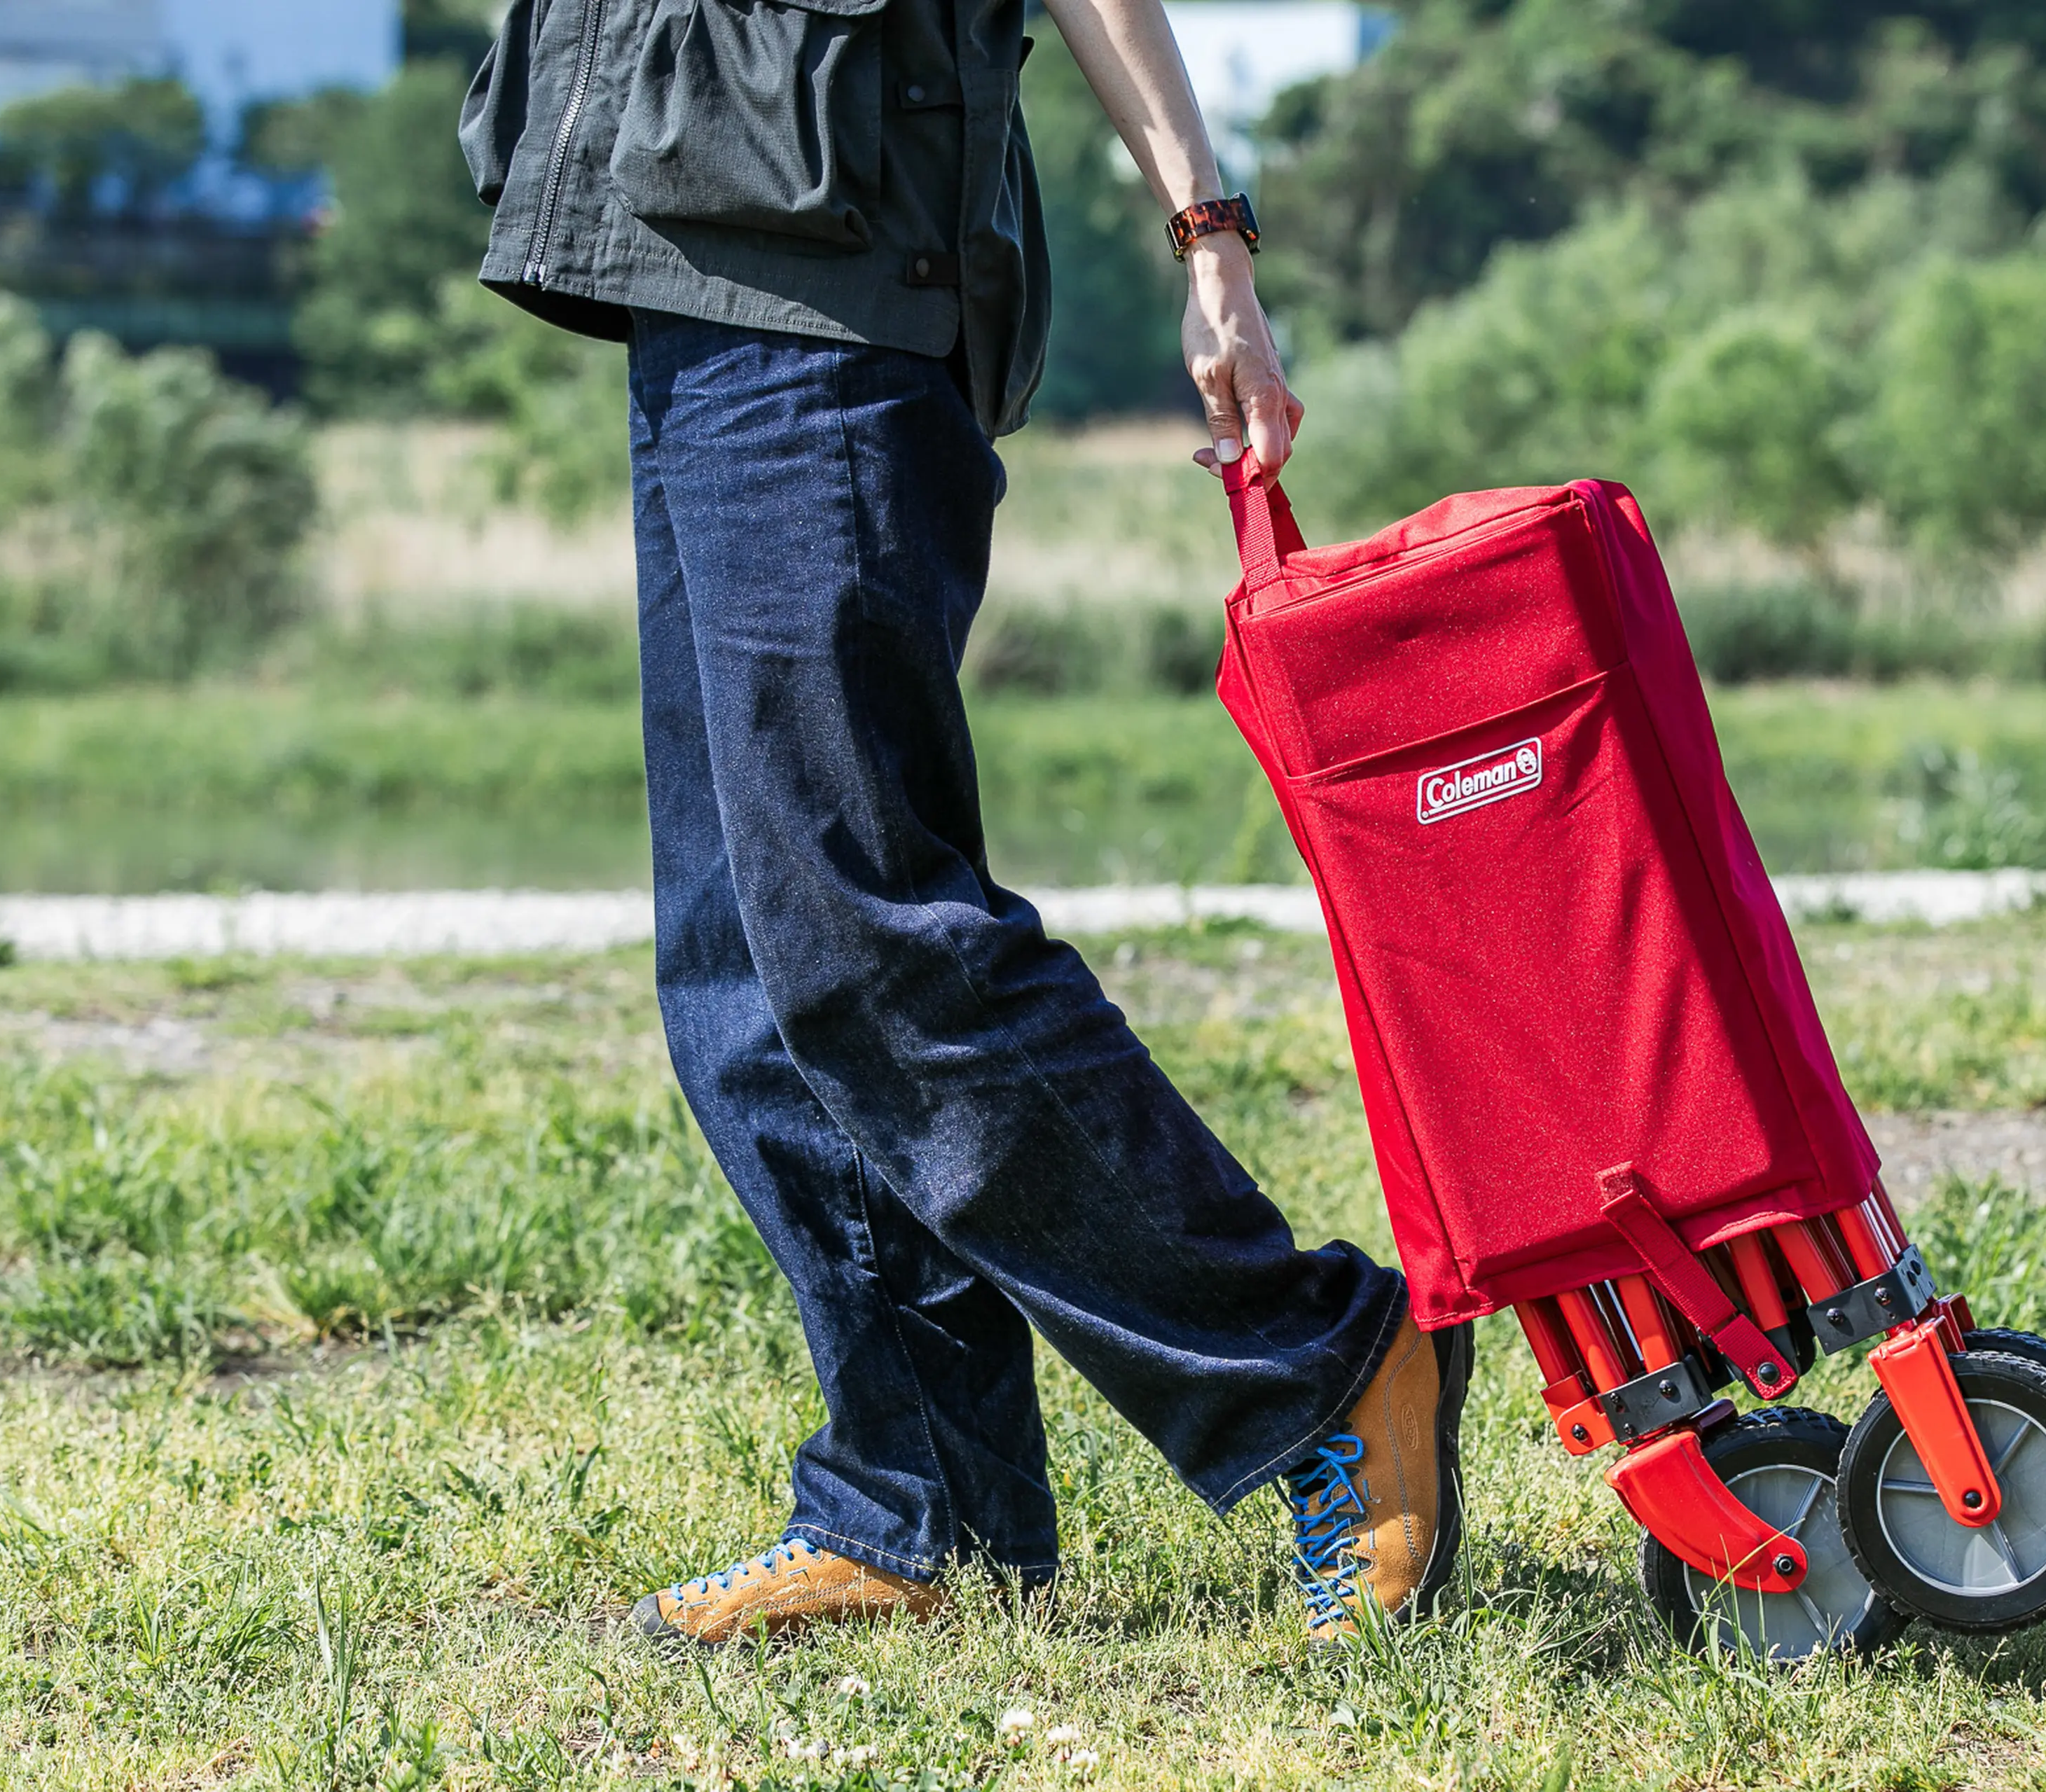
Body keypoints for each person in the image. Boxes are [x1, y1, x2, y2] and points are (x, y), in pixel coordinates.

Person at [456, 0, 1467, 1644]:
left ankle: (1321, 1364)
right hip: (684, 288)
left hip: (831, 295)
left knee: (872, 940)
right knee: (744, 977)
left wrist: (1208, 228)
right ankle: (921, 1507)